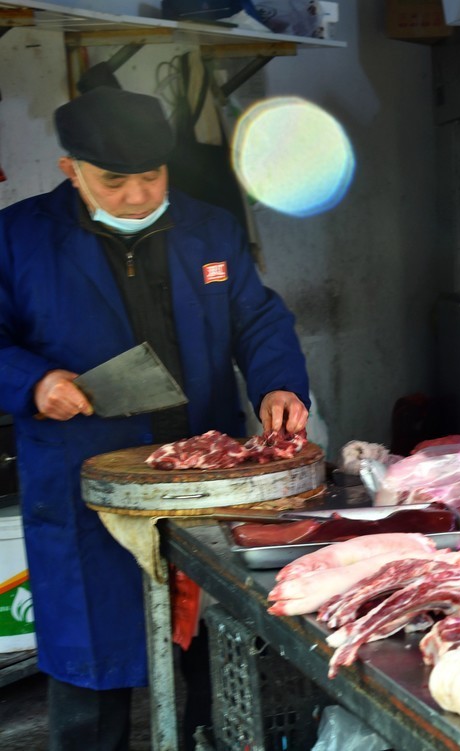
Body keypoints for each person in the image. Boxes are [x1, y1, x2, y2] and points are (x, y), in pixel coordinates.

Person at [0, 85, 310, 750]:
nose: (138, 196)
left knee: (211, 647)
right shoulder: (18, 238)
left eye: (151, 176)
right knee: (91, 660)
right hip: (85, 477)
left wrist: (278, 383)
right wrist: (33, 381)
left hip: (201, 475)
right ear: (70, 171)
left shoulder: (209, 226)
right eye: (115, 182)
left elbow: (257, 318)